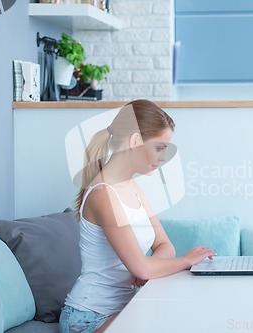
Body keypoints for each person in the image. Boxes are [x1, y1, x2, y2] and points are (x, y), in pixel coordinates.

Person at [59, 100, 216, 333]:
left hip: (125, 309)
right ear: (134, 141)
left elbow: (165, 246)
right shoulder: (103, 194)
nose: (163, 157)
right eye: (159, 147)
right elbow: (144, 269)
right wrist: (185, 261)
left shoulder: (132, 187)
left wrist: (147, 266)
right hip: (88, 318)